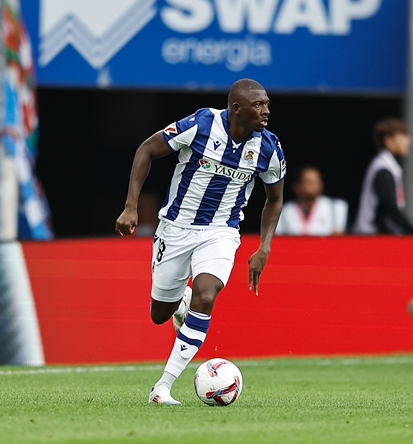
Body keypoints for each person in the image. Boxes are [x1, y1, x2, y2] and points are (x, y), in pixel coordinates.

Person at [115, 78, 285, 405]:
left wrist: (264, 246)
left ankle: (162, 387)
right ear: (237, 109)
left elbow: (274, 199)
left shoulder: (268, 148)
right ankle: (181, 302)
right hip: (175, 228)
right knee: (159, 314)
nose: (267, 110)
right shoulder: (202, 124)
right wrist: (131, 206)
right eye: (259, 104)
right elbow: (147, 149)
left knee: (207, 296)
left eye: (266, 104)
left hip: (220, 232)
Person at [354, 117, 413, 235]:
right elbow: (390, 211)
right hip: (370, 239)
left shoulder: (389, 167)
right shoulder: (383, 169)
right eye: (403, 136)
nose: (408, 141)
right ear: (388, 140)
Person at [275, 166, 347, 236]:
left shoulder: (336, 207)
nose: (315, 186)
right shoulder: (284, 211)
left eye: (317, 181)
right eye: (310, 182)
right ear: (296, 187)